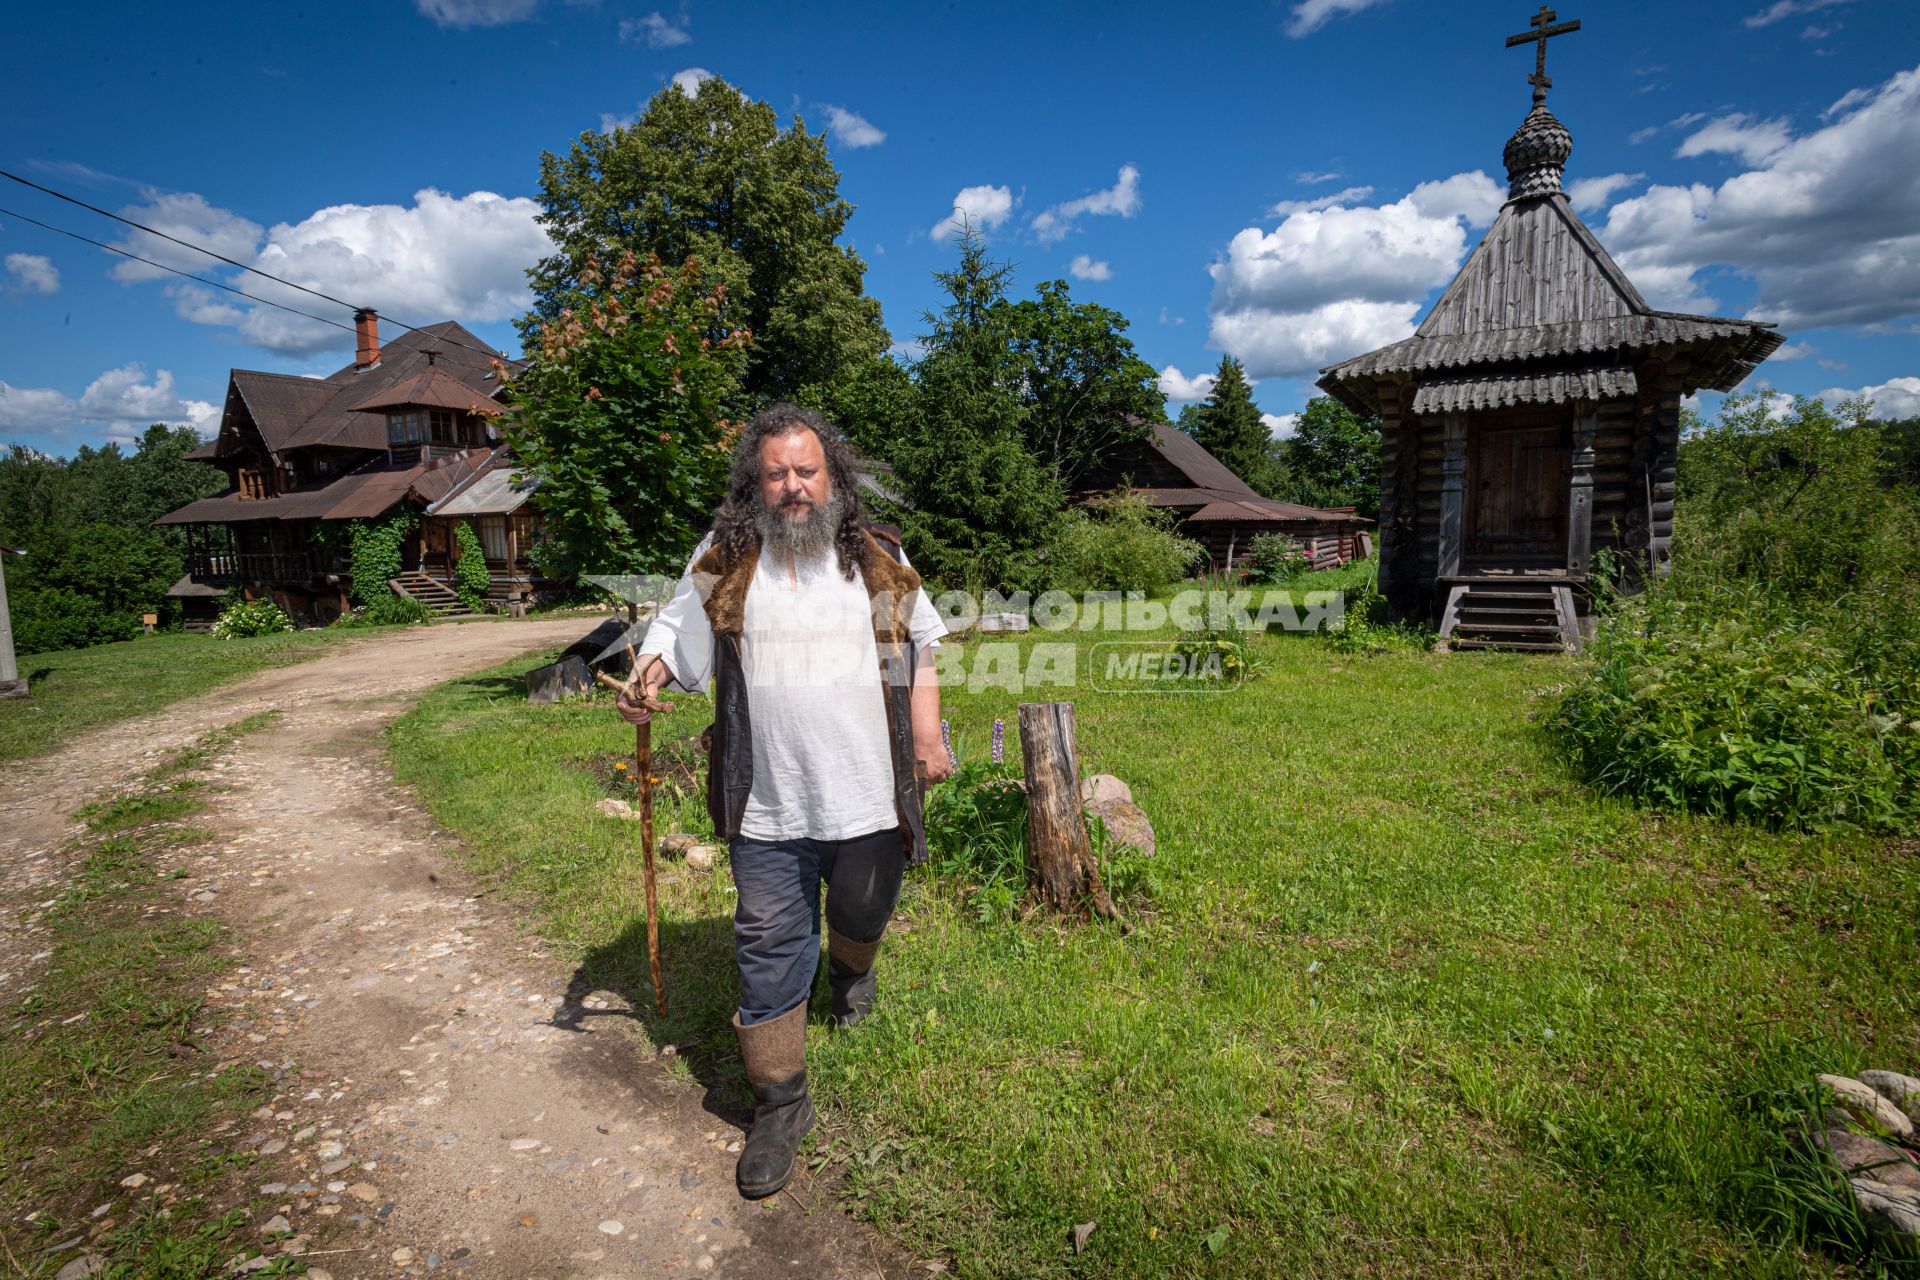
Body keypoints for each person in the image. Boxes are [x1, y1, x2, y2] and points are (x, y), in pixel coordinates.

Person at [616, 403, 952, 1200]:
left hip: (870, 790)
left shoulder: (876, 555)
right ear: (754, 483)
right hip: (768, 799)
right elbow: (672, 633)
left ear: (831, 476)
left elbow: (921, 650)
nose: (793, 486)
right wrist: (647, 680)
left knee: (864, 912)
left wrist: (928, 739)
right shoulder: (724, 556)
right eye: (777, 473)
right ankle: (780, 1102)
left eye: (807, 471)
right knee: (768, 941)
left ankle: (850, 974)